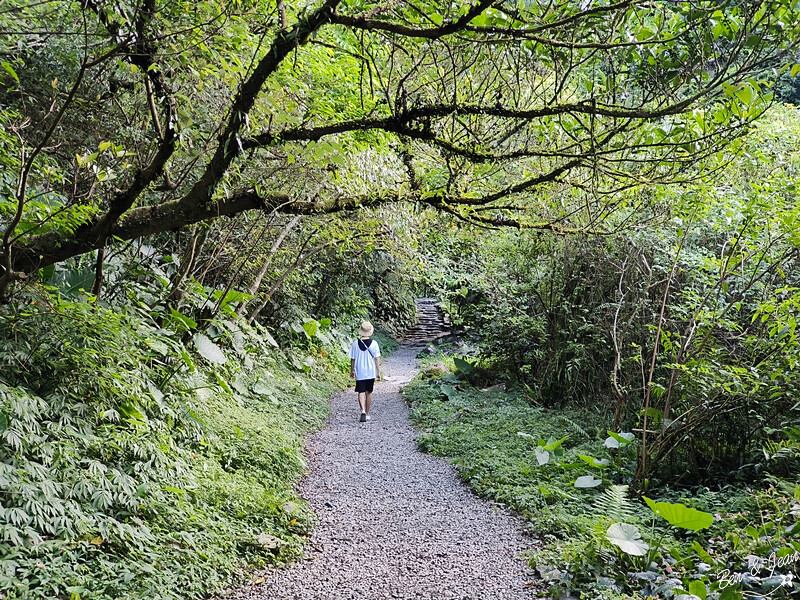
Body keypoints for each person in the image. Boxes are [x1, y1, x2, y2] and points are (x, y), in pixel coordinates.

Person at [348, 320, 381, 422]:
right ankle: (367, 413)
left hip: (360, 371)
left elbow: (352, 359)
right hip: (370, 372)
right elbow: (376, 359)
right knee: (369, 393)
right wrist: (378, 372)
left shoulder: (355, 344)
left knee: (361, 392)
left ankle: (362, 410)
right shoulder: (374, 344)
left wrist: (352, 370)